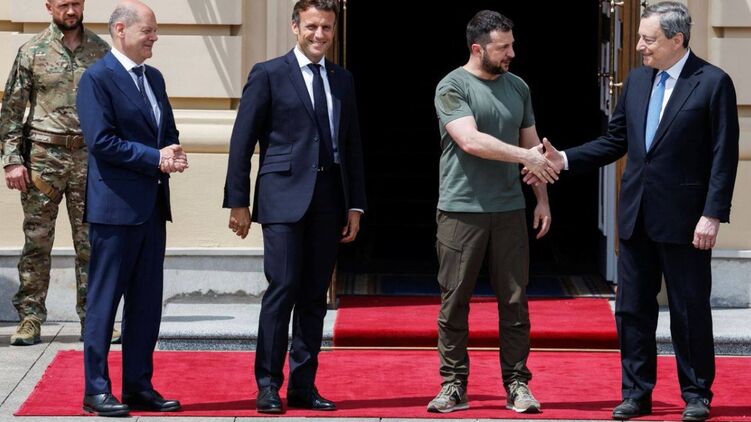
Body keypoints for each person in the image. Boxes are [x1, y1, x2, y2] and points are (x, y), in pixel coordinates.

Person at [528, 2, 739, 421]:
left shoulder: (713, 82)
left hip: (686, 221)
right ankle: (636, 393)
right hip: (636, 216)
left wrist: (712, 214)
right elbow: (615, 140)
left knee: (689, 310)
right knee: (631, 311)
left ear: (677, 40)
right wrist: (563, 160)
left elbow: (724, 155)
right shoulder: (638, 81)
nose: (640, 45)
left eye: (648, 39)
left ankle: (696, 394)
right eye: (640, 37)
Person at [223, 0, 366, 414]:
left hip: (330, 200)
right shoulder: (268, 74)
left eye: (327, 27)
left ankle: (304, 385)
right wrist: (238, 201)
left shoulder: (342, 79)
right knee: (283, 287)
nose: (319, 35)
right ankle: (268, 385)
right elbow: (242, 141)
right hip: (282, 198)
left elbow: (351, 145)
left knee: (314, 296)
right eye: (311, 26)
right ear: (295, 27)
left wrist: (355, 205)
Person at [428, 9, 558, 415]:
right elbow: (469, 140)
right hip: (460, 210)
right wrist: (525, 156)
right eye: (503, 47)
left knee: (515, 302)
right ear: (477, 48)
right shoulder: (452, 86)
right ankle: (453, 384)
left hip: (509, 210)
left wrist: (541, 200)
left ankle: (518, 384)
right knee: (455, 301)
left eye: (512, 45)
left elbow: (534, 147)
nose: (511, 53)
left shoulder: (518, 87)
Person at [75, 0, 187, 417]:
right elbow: (101, 142)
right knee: (104, 303)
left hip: (152, 207)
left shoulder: (153, 78)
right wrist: (155, 158)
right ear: (121, 30)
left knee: (145, 303)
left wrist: (172, 151)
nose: (155, 38)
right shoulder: (97, 78)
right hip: (115, 210)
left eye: (155, 31)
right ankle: (96, 390)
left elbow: (165, 129)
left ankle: (138, 386)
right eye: (148, 31)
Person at [0, 0, 120, 346]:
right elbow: (11, 111)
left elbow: (115, 109)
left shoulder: (101, 51)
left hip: (89, 159)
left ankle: (94, 320)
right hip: (43, 160)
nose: (71, 11)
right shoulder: (31, 51)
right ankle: (30, 317)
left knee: (91, 244)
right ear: (49, 6)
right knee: (37, 242)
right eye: (64, 4)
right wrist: (12, 159)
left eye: (76, 4)